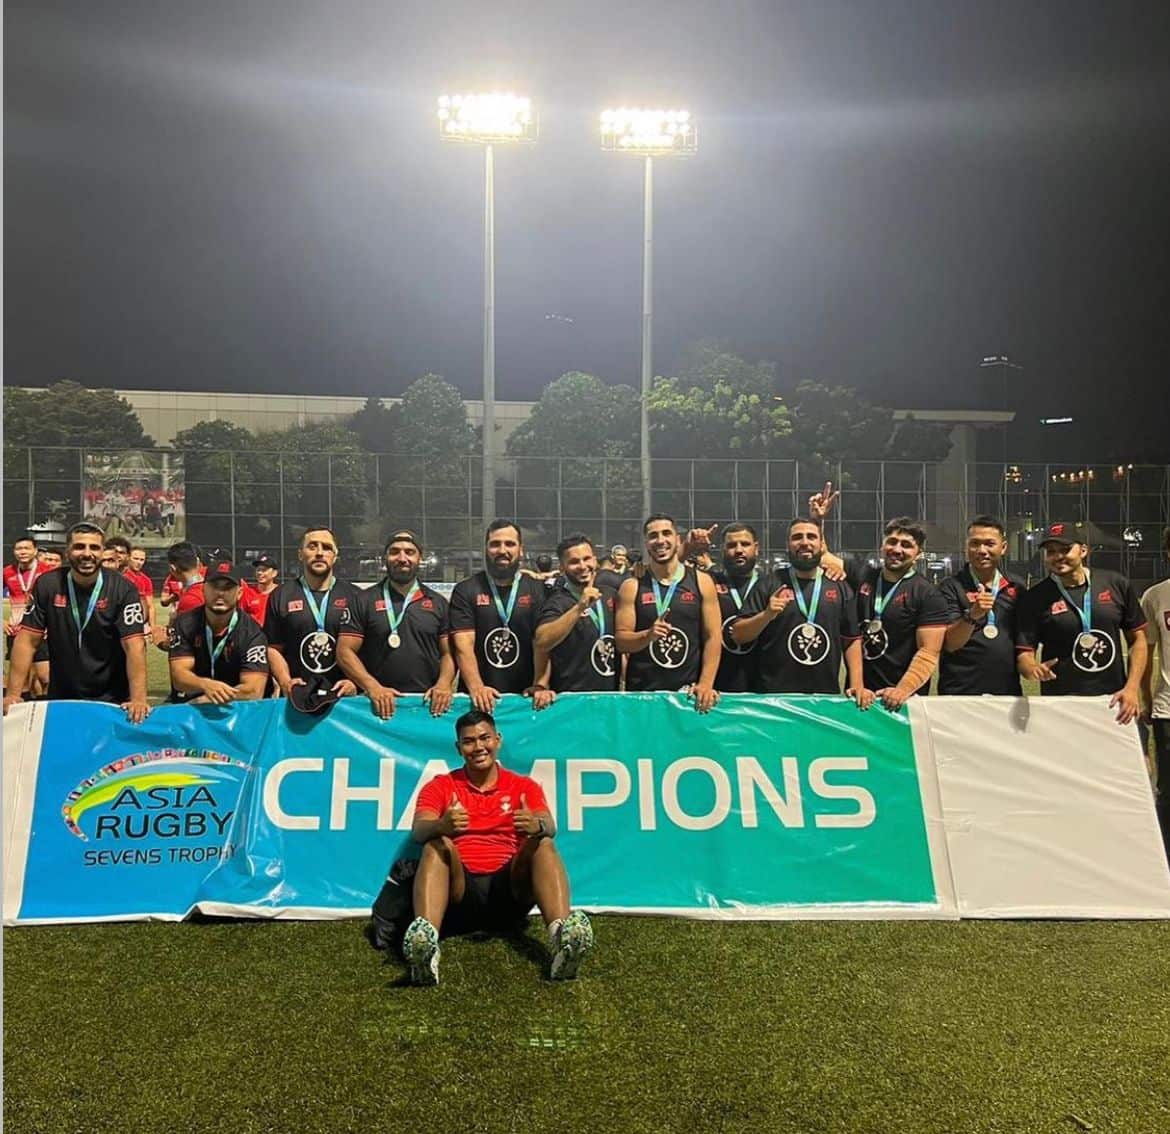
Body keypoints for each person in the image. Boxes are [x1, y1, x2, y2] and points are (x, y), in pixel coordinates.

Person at [400, 709, 594, 985]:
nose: (478, 747)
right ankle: (426, 947)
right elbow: (419, 831)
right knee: (436, 845)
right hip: (460, 892)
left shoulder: (523, 785)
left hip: (510, 891)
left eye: (485, 738)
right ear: (458, 748)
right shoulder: (440, 786)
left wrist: (536, 825)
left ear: (498, 740)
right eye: (469, 741)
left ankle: (562, 939)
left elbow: (550, 826)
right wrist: (441, 825)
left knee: (543, 843)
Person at [3, 522, 150, 721]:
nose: (87, 554)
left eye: (94, 547)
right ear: (67, 551)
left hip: (113, 698)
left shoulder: (123, 588)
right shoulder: (47, 584)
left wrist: (138, 699)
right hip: (61, 696)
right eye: (79, 547)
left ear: (102, 552)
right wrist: (12, 694)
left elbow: (134, 646)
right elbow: (27, 640)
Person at [1016, 520, 1147, 724]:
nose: (1058, 556)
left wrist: (1131, 688)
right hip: (1061, 705)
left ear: (1083, 550)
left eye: (1065, 549)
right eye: (1051, 551)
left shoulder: (1116, 584)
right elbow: (1025, 653)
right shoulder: (1035, 598)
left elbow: (1138, 640)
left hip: (1114, 700)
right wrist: (1032, 668)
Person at [733, 517, 871, 705]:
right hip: (773, 700)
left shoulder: (839, 586)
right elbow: (739, 635)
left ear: (821, 544)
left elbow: (851, 639)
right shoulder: (769, 583)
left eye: (811, 537)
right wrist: (766, 615)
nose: (805, 542)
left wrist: (857, 684)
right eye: (797, 537)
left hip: (823, 699)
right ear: (788, 544)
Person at [337, 529, 456, 718]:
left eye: (409, 552)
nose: (402, 558)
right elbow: (345, 651)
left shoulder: (438, 603)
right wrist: (372, 687)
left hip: (426, 706)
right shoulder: (363, 600)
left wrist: (443, 684)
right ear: (385, 558)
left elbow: (449, 653)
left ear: (420, 558)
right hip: (375, 706)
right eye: (394, 552)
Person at [615, 514, 722, 712]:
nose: (660, 540)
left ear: (678, 540)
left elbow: (713, 636)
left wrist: (706, 683)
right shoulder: (632, 586)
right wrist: (648, 635)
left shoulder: (702, 581)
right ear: (646, 544)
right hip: (642, 696)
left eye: (666, 533)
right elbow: (621, 641)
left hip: (688, 695)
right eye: (653, 536)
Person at [849, 517, 949, 710]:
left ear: (918, 553)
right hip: (859, 698)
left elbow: (928, 651)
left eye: (906, 545)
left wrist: (902, 690)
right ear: (882, 545)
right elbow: (823, 556)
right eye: (892, 542)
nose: (896, 549)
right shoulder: (863, 576)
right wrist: (818, 518)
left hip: (903, 703)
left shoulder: (928, 593)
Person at [448, 520, 547, 712]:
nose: (502, 550)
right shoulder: (466, 590)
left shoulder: (538, 590)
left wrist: (540, 684)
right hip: (478, 699)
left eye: (510, 544)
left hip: (525, 698)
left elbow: (542, 643)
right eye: (495, 544)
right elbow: (463, 646)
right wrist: (477, 687)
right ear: (486, 549)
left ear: (521, 549)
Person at [264, 528, 360, 700]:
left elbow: (368, 648)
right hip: (298, 695)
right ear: (300, 554)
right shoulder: (281, 595)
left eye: (327, 547)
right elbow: (273, 648)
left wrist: (356, 682)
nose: (319, 553)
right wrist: (286, 681)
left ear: (335, 556)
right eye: (312, 546)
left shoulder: (355, 596)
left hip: (344, 698)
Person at [938, 516, 1026, 696]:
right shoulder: (950, 587)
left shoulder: (1017, 586)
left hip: (1006, 691)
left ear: (1003, 547)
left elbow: (1024, 637)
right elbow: (950, 643)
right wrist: (972, 615)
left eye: (989, 544)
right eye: (975, 543)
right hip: (959, 691)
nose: (982, 550)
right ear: (966, 547)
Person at [531, 533, 621, 706]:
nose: (582, 566)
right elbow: (542, 641)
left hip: (610, 699)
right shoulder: (557, 602)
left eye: (586, 559)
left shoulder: (611, 594)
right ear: (562, 568)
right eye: (574, 562)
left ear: (595, 560)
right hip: (570, 702)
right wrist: (579, 607)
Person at [168, 556, 269, 704]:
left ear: (239, 593)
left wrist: (209, 699)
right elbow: (179, 677)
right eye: (215, 586)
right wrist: (206, 685)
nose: (220, 593)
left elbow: (253, 690)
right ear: (203, 589)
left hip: (235, 710)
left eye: (228, 588)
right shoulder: (184, 623)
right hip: (192, 708)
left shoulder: (252, 633)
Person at [1140, 525, 1170, 857]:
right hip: (1168, 709)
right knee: (1168, 792)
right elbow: (1145, 653)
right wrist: (1146, 697)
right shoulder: (1155, 597)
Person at [710, 523, 768, 693]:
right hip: (717, 686)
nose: (739, 550)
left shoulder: (771, 584)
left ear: (756, 548)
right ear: (722, 550)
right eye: (731, 545)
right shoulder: (709, 582)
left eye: (745, 544)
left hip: (763, 687)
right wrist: (688, 548)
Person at [250, 554, 280, 627]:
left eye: (264, 570)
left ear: (274, 573)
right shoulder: (249, 592)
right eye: (258, 570)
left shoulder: (281, 593)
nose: (260, 573)